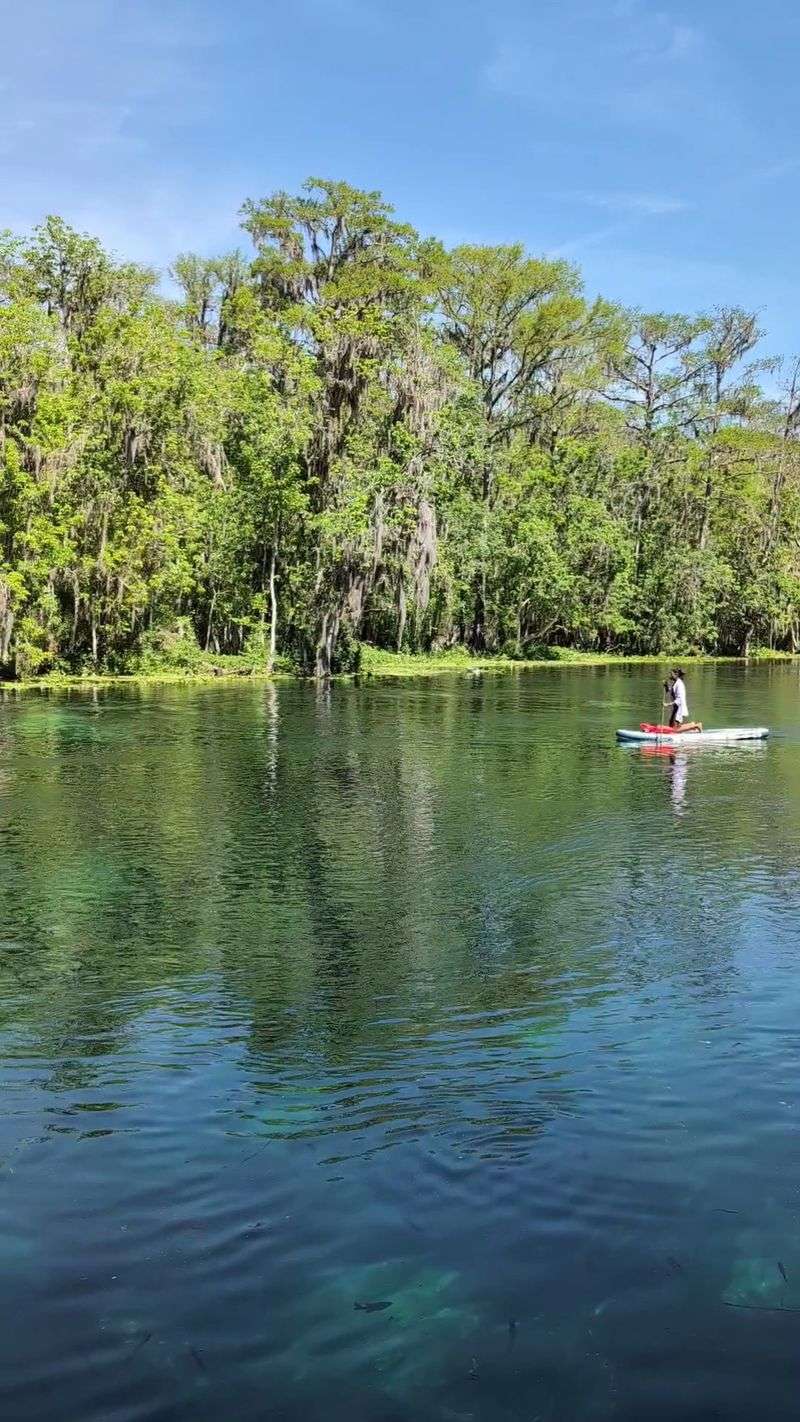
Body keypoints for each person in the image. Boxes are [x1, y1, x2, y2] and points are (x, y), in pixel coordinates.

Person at [666, 669, 702, 733]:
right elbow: (671, 691)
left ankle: (696, 725)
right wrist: (666, 686)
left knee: (675, 728)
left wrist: (668, 704)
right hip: (676, 707)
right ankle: (692, 725)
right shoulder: (676, 682)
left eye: (671, 674)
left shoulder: (679, 684)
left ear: (676, 674)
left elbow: (679, 699)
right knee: (671, 724)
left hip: (679, 707)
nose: (670, 676)